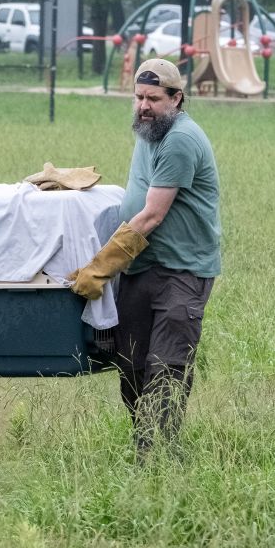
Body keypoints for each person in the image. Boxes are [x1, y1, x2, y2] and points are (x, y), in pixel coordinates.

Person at [71, 58, 221, 456]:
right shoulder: (148, 132)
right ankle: (147, 440)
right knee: (131, 362)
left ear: (177, 98)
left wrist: (99, 267)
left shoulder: (179, 140)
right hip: (142, 267)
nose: (143, 106)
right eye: (138, 97)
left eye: (153, 98)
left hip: (182, 270)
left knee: (167, 364)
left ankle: (157, 454)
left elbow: (152, 214)